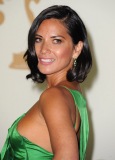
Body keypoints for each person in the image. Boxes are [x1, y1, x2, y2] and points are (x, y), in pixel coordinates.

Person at [1, 5, 92, 160]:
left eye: (56, 41)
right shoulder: (71, 92)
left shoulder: (54, 96)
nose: (43, 49)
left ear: (76, 49)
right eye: (38, 39)